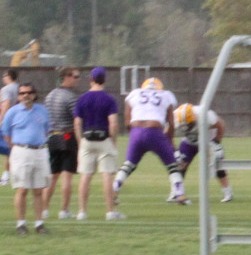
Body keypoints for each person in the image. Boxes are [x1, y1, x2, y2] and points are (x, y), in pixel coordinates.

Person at [113, 77, 188, 204]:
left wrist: (134, 134)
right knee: (172, 165)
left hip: (136, 131)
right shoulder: (166, 95)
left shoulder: (135, 93)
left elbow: (127, 120)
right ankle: (180, 194)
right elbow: (170, 123)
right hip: (154, 131)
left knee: (129, 164)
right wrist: (170, 141)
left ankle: (114, 189)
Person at [73, 67, 124, 221]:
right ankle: (110, 211)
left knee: (85, 177)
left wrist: (79, 142)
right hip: (104, 139)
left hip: (87, 139)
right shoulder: (109, 99)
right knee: (107, 175)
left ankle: (82, 211)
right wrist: (113, 140)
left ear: (91, 79)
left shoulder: (82, 99)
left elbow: (77, 123)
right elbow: (113, 123)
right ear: (104, 80)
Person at [0, 82, 51, 234]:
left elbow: (47, 130)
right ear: (19, 96)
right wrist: (17, 147)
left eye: (28, 92)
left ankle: (39, 224)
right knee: (22, 189)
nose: (25, 96)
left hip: (40, 151)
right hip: (21, 151)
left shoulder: (42, 110)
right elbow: (6, 134)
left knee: (38, 190)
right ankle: (21, 224)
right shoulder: (13, 112)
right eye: (22, 93)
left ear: (34, 94)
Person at [173, 103, 233, 202]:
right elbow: (168, 134)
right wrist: (174, 151)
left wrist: (217, 142)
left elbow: (220, 125)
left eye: (189, 124)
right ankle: (177, 192)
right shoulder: (175, 117)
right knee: (180, 165)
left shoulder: (205, 115)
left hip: (208, 138)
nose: (187, 126)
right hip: (190, 140)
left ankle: (227, 192)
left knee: (217, 165)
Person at [43, 66, 81, 219]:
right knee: (66, 176)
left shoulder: (50, 95)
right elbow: (76, 119)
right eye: (76, 76)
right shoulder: (71, 97)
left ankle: (44, 209)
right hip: (67, 137)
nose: (77, 80)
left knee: (52, 176)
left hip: (52, 137)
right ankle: (64, 210)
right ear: (67, 76)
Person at [0, 68, 19, 187]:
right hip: (17, 122)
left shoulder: (6, 89)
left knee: (9, 149)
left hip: (7, 123)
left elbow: (6, 104)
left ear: (8, 76)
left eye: (4, 76)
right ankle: (8, 175)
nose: (3, 78)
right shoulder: (19, 87)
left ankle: (6, 176)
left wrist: (1, 120)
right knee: (11, 150)